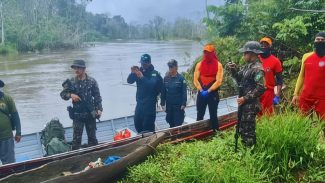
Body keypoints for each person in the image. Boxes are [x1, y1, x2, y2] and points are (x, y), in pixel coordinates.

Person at [227, 41, 266, 147]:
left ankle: (250, 153)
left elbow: (261, 87)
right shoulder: (247, 67)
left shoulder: (258, 69)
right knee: (242, 128)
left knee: (248, 131)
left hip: (250, 105)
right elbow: (239, 79)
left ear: (252, 54)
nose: (243, 55)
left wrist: (245, 98)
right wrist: (233, 70)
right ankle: (246, 151)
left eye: (245, 53)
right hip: (244, 104)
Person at [60, 60, 103, 150]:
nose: (76, 70)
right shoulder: (71, 82)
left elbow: (97, 96)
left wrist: (99, 109)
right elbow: (62, 95)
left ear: (84, 69)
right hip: (77, 115)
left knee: (92, 139)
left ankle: (95, 158)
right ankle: (76, 160)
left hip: (90, 114)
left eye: (78, 68)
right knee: (76, 140)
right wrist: (71, 95)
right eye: (75, 68)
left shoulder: (92, 81)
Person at [292, 32, 325, 120]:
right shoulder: (306, 56)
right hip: (306, 96)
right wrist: (296, 93)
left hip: (322, 98)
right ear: (314, 41)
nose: (320, 41)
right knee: (303, 123)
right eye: (318, 39)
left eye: (322, 40)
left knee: (323, 125)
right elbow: (301, 76)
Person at [127, 54, 163, 133]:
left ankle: (151, 142)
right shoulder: (139, 72)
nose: (143, 65)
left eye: (144, 64)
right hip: (140, 103)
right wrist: (132, 73)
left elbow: (151, 85)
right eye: (142, 63)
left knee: (148, 127)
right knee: (137, 123)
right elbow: (129, 81)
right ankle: (142, 141)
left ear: (149, 63)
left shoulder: (154, 73)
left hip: (150, 105)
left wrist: (142, 77)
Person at [193, 44, 223, 131]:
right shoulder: (199, 64)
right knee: (199, 113)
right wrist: (201, 90)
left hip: (212, 94)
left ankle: (216, 132)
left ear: (213, 53)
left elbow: (219, 81)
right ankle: (198, 133)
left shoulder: (218, 65)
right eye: (205, 52)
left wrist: (209, 90)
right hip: (202, 93)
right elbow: (195, 79)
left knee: (213, 114)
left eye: (208, 52)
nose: (206, 54)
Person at [258, 37, 283, 115]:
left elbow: (279, 80)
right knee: (256, 116)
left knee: (267, 116)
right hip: (255, 93)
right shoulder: (255, 59)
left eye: (266, 45)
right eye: (261, 45)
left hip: (268, 92)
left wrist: (277, 95)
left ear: (270, 47)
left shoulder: (275, 61)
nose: (263, 46)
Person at [0, 79, 21, 164]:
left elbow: (15, 115)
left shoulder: (7, 98)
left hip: (6, 137)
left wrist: (18, 132)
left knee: (9, 164)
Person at [160, 59, 187, 128]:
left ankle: (178, 137)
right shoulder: (166, 78)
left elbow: (184, 92)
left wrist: (184, 103)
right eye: (169, 67)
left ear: (176, 67)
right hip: (169, 105)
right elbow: (163, 92)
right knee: (170, 121)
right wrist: (162, 103)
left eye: (172, 66)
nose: (170, 68)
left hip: (178, 106)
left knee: (178, 123)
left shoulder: (181, 79)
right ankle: (172, 136)